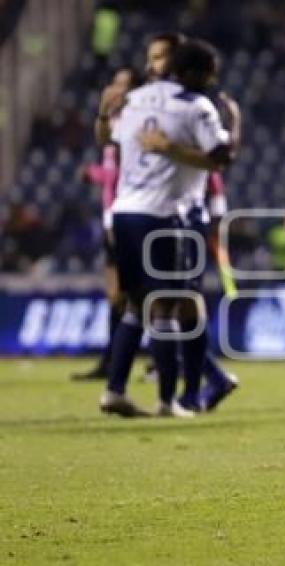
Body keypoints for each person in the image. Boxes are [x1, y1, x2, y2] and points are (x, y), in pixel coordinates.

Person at [96, 38, 237, 417]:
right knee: (168, 307)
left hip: (124, 211)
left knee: (137, 306)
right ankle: (166, 401)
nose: (211, 82)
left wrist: (100, 113)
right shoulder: (195, 105)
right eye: (208, 75)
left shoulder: (134, 99)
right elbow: (221, 158)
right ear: (192, 72)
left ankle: (114, 390)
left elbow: (106, 138)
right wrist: (174, 148)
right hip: (163, 215)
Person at [71, 66, 143, 381]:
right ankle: (111, 361)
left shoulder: (136, 126)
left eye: (122, 85)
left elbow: (125, 175)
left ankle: (156, 360)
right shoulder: (113, 127)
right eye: (113, 83)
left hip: (129, 216)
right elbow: (111, 175)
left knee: (136, 295)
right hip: (112, 217)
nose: (115, 89)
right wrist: (94, 175)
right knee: (116, 295)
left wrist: (97, 175)